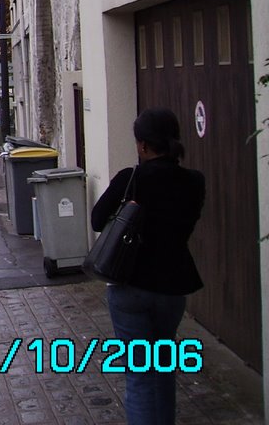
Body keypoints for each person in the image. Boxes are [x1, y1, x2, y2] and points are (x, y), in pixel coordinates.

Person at [91, 107, 205, 425]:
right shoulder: (194, 182)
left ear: (142, 145)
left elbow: (97, 219)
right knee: (164, 368)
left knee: (140, 375)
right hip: (172, 287)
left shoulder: (132, 179)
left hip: (131, 286)